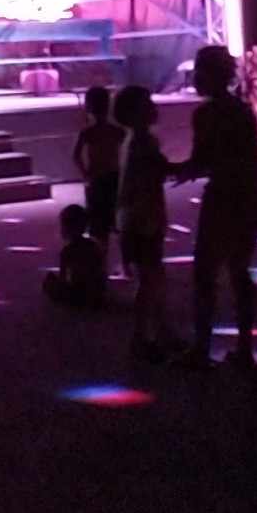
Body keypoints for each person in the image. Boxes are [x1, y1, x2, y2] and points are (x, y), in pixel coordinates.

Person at [172, 46, 257, 371]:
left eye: (199, 72)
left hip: (225, 198)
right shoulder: (242, 111)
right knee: (239, 272)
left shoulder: (206, 115)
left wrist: (165, 169)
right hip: (251, 196)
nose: (195, 79)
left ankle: (201, 348)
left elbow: (203, 161)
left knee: (205, 273)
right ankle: (244, 347)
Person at [113, 85, 173, 362]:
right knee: (150, 280)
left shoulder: (134, 141)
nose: (154, 106)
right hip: (142, 218)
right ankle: (142, 337)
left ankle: (159, 332)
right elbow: (160, 170)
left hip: (138, 217)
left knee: (153, 278)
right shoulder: (143, 143)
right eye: (147, 103)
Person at [72, 85, 124, 261]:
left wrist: (85, 175)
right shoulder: (116, 131)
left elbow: (76, 156)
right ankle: (125, 264)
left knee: (98, 225)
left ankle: (100, 261)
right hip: (114, 177)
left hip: (96, 179)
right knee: (116, 222)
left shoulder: (87, 132)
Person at [43, 203, 107, 309]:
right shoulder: (94, 245)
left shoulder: (67, 251)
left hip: (78, 296)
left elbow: (66, 278)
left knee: (49, 280)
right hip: (97, 294)